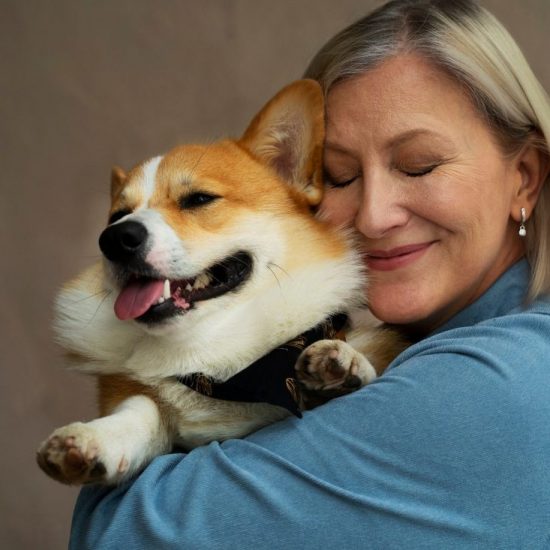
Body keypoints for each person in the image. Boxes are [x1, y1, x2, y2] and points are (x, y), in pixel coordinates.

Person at [69, 0, 550, 547]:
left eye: (419, 165)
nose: (372, 217)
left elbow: (121, 533)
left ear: (525, 180)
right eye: (339, 176)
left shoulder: (500, 385)